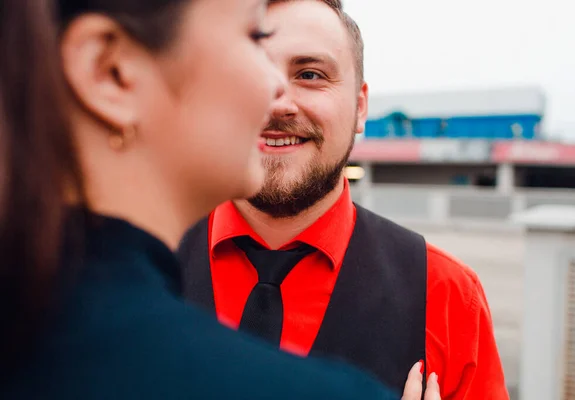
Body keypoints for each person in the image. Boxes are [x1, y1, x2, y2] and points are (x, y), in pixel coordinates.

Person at [0, 0, 440, 399]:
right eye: (254, 39)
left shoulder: (439, 287)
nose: (277, 94)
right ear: (109, 69)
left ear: (361, 105)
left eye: (310, 74)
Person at [178, 0, 510, 398]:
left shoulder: (446, 297)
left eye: (310, 74)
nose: (278, 103)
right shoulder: (120, 265)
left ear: (360, 106)